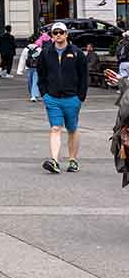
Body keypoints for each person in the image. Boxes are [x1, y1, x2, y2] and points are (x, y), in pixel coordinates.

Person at [37, 22, 89, 174]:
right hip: (52, 98)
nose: (58, 35)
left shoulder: (77, 53)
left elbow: (84, 76)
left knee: (72, 129)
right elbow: (41, 74)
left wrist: (80, 97)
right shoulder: (46, 53)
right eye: (55, 33)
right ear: (52, 36)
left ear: (66, 34)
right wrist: (44, 94)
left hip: (72, 98)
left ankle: (73, 160)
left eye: (61, 32)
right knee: (55, 128)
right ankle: (54, 160)